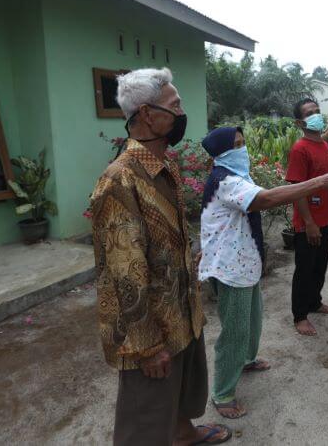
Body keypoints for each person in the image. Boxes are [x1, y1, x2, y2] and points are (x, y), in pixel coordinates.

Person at [90, 68, 230, 445]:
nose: (181, 112)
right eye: (174, 105)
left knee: (184, 388)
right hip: (150, 328)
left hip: (181, 310)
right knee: (145, 421)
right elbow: (123, 273)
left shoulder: (163, 166)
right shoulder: (119, 180)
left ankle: (183, 434)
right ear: (147, 114)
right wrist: (147, 346)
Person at [199, 127, 328, 419]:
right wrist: (321, 181)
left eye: (243, 142)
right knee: (234, 331)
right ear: (221, 153)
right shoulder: (224, 181)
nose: (243, 148)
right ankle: (222, 393)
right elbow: (267, 199)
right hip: (230, 267)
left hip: (244, 261)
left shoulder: (237, 176)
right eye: (237, 145)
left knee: (252, 321)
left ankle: (246, 360)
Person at [286, 99, 328, 336]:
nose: (316, 115)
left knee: (320, 266)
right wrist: (308, 223)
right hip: (308, 222)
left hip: (327, 217)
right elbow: (297, 189)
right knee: (304, 270)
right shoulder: (300, 149)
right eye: (310, 113)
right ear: (300, 122)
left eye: (317, 111)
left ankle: (315, 303)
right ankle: (300, 316)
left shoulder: (324, 144)